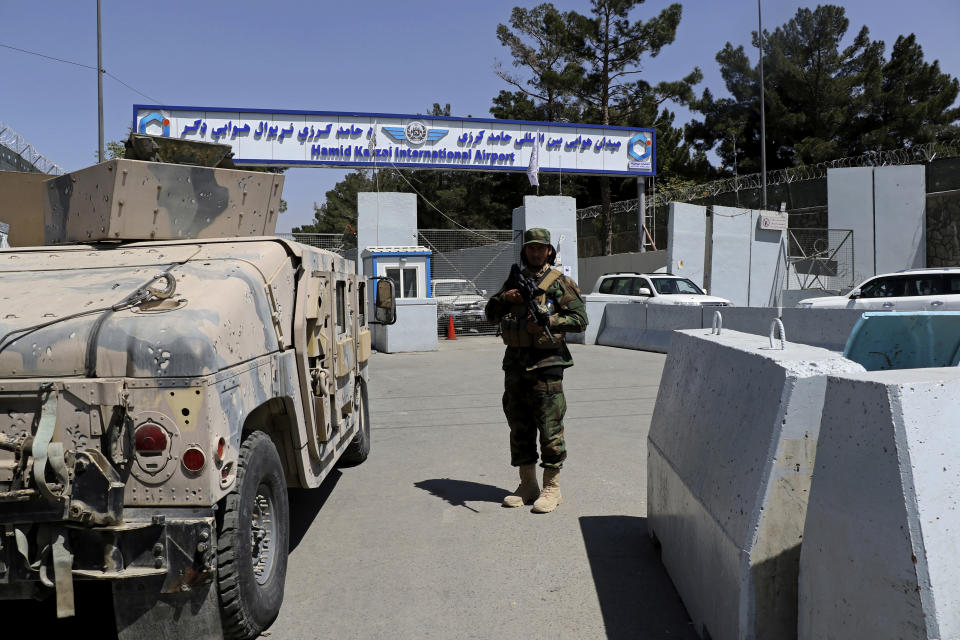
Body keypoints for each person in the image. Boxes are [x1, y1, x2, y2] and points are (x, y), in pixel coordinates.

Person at [484, 228, 588, 513]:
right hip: (516, 366)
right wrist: (507, 299)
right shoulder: (513, 281)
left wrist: (549, 320)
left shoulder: (560, 283)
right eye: (530, 248)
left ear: (549, 251)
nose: (535, 252)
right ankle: (527, 484)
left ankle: (552, 488)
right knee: (519, 425)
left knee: (550, 427)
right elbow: (490, 314)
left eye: (540, 248)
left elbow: (580, 320)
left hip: (547, 366)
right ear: (525, 251)